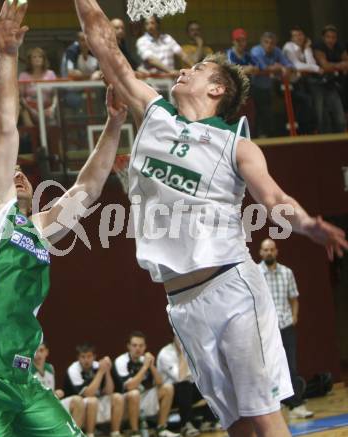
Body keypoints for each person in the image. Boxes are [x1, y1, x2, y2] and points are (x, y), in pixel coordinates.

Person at [74, 1, 348, 435]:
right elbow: (106, 47)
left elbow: (275, 197)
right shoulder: (156, 114)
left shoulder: (237, 145)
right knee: (235, 421)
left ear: (217, 90)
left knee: (261, 412)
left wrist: (309, 224)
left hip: (232, 288)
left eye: (198, 68)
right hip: (183, 303)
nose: (185, 70)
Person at [0, 1, 128, 435]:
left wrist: (113, 124)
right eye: (11, 171)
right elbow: (6, 129)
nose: (17, 174)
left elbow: (87, 190)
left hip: (22, 376)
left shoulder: (38, 229)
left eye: (24, 175)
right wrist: (9, 55)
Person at [259, 239, 313, 419]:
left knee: (291, 365)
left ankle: (296, 405)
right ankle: (274, 405)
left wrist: (295, 316)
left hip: (286, 325)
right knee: (268, 368)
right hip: (266, 329)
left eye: (271, 249)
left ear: (276, 251)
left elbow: (294, 298)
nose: (268, 253)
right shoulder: (256, 274)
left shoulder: (287, 272)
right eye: (265, 250)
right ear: (260, 253)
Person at [114, 331, 177, 437]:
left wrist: (151, 366)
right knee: (134, 393)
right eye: (134, 345)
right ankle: (135, 432)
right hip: (125, 401)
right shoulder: (121, 361)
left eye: (141, 346)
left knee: (168, 388)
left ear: (145, 347)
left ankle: (161, 429)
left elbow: (159, 383)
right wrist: (144, 367)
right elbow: (129, 386)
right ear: (128, 346)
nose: (138, 348)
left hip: (143, 396)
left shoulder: (146, 360)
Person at [157, 337, 220, 435]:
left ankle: (208, 421)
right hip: (170, 395)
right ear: (174, 337)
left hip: (188, 390)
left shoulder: (192, 351)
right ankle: (186, 424)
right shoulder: (165, 354)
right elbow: (180, 377)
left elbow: (199, 375)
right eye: (179, 337)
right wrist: (183, 354)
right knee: (184, 385)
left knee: (210, 382)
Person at [65, 343, 124, 437]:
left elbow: (109, 391)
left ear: (94, 357)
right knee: (92, 401)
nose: (86, 360)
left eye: (89, 356)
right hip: (77, 406)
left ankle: (115, 433)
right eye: (83, 357)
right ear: (78, 358)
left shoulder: (98, 366)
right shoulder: (73, 369)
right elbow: (88, 393)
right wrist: (101, 372)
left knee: (117, 397)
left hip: (96, 401)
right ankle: (90, 434)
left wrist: (107, 371)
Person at [31, 343, 86, 428]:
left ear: (46, 352)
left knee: (78, 401)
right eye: (35, 351)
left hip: (52, 405)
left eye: (41, 350)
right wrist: (52, 394)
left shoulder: (50, 367)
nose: (38, 354)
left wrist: (55, 394)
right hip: (37, 409)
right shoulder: (26, 369)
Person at [251, 32, 294, 137]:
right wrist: (279, 67)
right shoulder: (256, 51)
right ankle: (260, 136)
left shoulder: (277, 51)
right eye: (266, 42)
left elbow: (288, 65)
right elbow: (263, 67)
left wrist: (282, 67)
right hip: (254, 87)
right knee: (259, 113)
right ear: (261, 43)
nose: (269, 45)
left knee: (269, 112)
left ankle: (267, 135)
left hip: (270, 87)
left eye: (272, 43)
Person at [282, 26, 322, 134]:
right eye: (295, 35)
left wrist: (307, 48)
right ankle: (302, 132)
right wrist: (317, 69)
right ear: (291, 38)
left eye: (301, 34)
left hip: (299, 83)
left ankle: (310, 130)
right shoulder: (288, 47)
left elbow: (311, 64)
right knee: (303, 104)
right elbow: (296, 66)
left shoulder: (303, 48)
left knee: (308, 104)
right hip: (285, 85)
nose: (299, 37)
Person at [312, 25, 348, 133]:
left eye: (333, 37)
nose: (331, 40)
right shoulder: (318, 46)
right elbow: (325, 66)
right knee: (321, 116)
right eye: (328, 37)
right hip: (317, 83)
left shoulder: (339, 46)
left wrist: (333, 66)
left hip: (332, 84)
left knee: (340, 119)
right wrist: (340, 65)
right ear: (323, 38)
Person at [19, 47, 58, 127]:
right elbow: (21, 96)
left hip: (48, 108)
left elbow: (56, 94)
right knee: (25, 115)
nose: (37, 59)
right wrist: (31, 110)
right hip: (30, 109)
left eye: (40, 57)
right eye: (34, 57)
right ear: (30, 60)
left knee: (53, 128)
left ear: (44, 59)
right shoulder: (23, 75)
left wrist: (52, 108)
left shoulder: (51, 74)